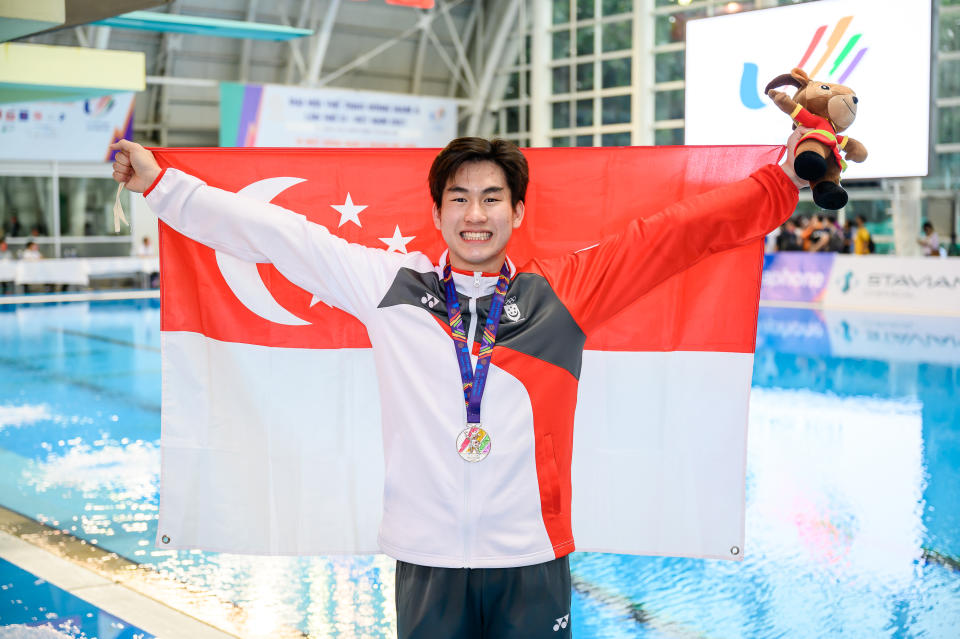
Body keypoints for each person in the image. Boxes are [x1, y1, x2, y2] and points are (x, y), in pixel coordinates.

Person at [109, 131, 806, 639]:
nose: (476, 214)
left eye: (493, 198)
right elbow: (282, 235)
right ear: (438, 212)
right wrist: (162, 184)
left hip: (532, 560)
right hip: (427, 559)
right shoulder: (392, 288)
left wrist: (783, 179)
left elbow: (679, 234)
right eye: (460, 198)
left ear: (518, 211)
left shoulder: (562, 294)